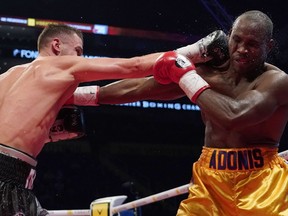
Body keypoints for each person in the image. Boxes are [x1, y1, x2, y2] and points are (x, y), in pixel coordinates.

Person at [0, 23, 164, 216]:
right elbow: (132, 66)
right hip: (9, 172)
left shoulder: (7, 77)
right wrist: (190, 53)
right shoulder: (58, 66)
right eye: (78, 51)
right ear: (56, 46)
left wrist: (47, 135)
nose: (80, 58)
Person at [151, 10, 288, 215]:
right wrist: (87, 95)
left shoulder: (276, 81)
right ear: (229, 35)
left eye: (251, 44)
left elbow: (235, 115)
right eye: (237, 39)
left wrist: (187, 77)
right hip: (209, 181)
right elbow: (138, 87)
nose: (241, 49)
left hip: (262, 186)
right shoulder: (207, 73)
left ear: (268, 46)